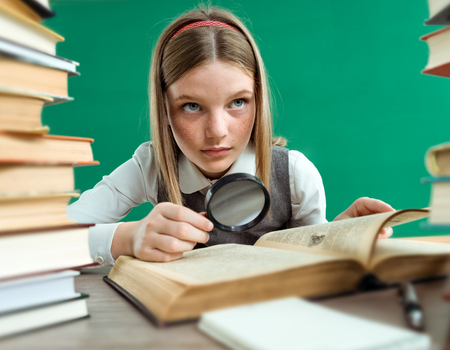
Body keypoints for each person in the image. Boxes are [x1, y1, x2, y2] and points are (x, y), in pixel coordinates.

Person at [68, 5, 395, 267]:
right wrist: (127, 237)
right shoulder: (150, 166)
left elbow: (310, 260)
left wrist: (339, 235)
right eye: (192, 106)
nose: (217, 131)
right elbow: (45, 241)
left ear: (258, 102)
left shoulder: (295, 175)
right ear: (164, 109)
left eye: (238, 103)